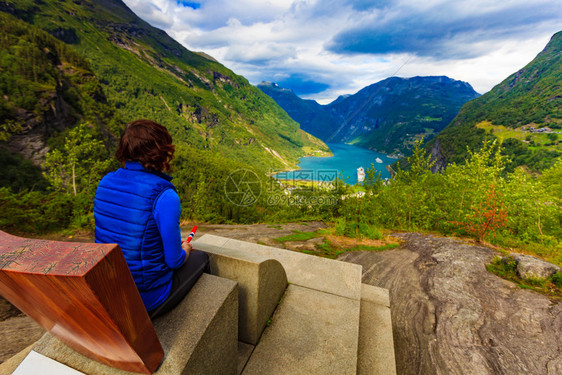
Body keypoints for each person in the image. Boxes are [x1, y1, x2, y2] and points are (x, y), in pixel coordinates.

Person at [94, 119, 209, 319]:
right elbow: (174, 261)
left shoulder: (105, 182)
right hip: (145, 296)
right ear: (161, 153)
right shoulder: (164, 196)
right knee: (201, 259)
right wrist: (186, 250)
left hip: (110, 288)